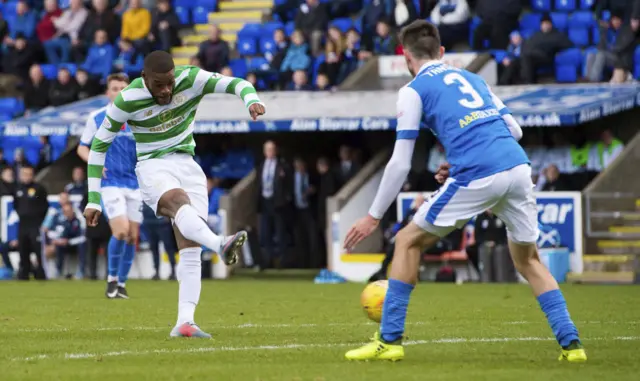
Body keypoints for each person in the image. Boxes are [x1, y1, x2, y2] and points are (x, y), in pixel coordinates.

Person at [342, 20, 586, 363]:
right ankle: (572, 346)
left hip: (480, 173)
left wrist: (373, 216)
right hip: (516, 167)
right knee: (529, 259)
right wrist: (459, 161)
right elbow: (513, 129)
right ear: (441, 52)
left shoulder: (413, 89)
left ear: (406, 58)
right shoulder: (474, 78)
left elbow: (400, 162)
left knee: (406, 241)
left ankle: (389, 340)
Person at [83, 51, 266, 338]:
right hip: (153, 165)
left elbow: (237, 83)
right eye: (159, 85)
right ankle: (220, 243)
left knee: (191, 249)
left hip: (189, 165)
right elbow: (97, 148)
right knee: (179, 204)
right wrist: (93, 197)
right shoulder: (127, 99)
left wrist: (251, 99)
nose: (167, 90)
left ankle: (185, 322)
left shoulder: (190, 78)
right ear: (145, 79)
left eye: (169, 83)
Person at [78, 73, 139, 299]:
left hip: (134, 183)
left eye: (123, 88)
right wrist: (94, 163)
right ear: (108, 92)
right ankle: (111, 280)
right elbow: (82, 147)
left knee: (133, 235)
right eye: (115, 88)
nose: (119, 92)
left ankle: (121, 285)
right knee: (121, 230)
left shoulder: (137, 117)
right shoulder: (97, 117)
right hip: (110, 182)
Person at [13, 165, 49, 280]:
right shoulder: (18, 189)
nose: (26, 177)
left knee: (38, 249)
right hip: (23, 224)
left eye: (29, 174)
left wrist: (38, 218)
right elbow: (16, 205)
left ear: (33, 175)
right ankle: (24, 273)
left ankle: (40, 273)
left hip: (35, 224)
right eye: (24, 174)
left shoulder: (39, 189)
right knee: (23, 249)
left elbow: (45, 206)